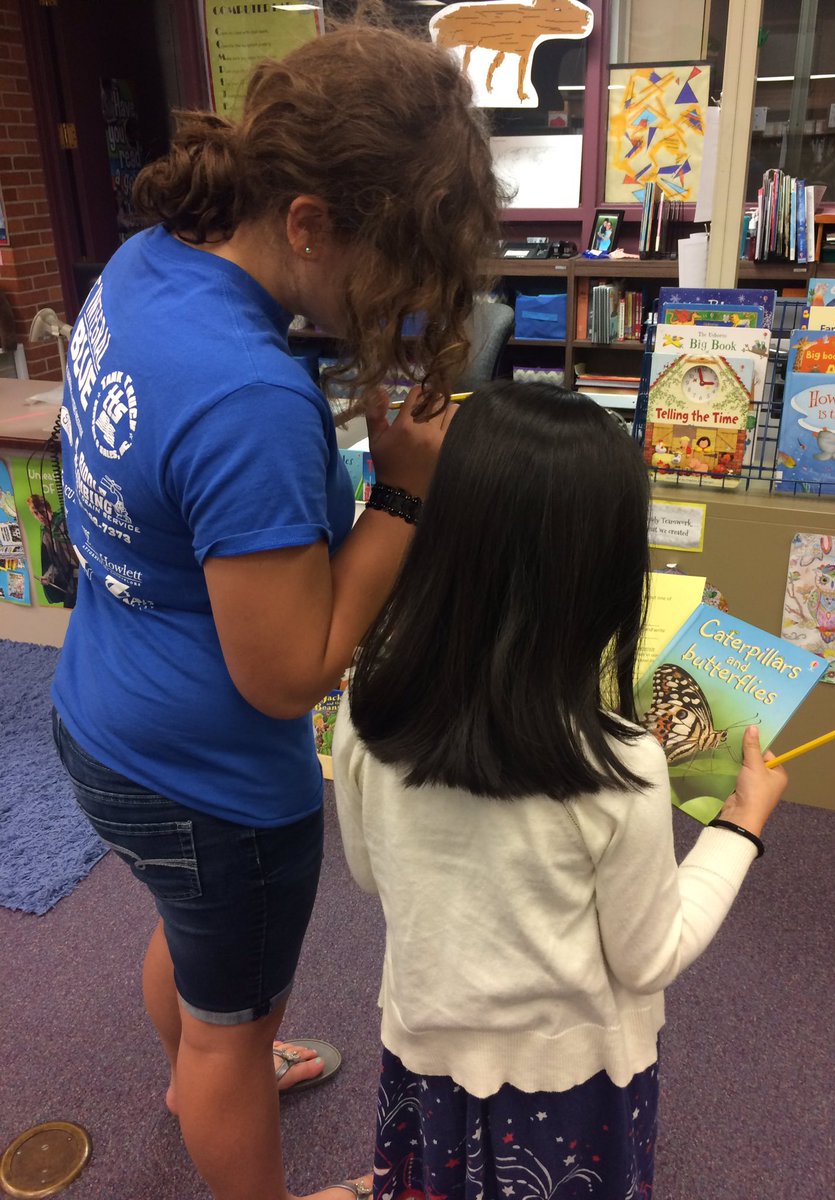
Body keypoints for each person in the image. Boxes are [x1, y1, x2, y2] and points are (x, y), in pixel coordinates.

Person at [51, 22, 501, 1200]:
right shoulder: (252, 398)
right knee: (230, 1024)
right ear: (306, 223)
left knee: (199, 962)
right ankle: (221, 1079)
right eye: (388, 269)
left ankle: (205, 1063)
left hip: (105, 714)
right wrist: (401, 488)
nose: (399, 304)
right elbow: (291, 673)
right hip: (209, 781)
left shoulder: (149, 258)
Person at [332, 380, 789, 1198]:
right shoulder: (618, 765)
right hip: (571, 1092)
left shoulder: (368, 708)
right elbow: (650, 956)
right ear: (609, 574)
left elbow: (371, 874)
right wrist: (739, 828)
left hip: (425, 1054)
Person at [25, 493, 78, 607]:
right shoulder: (46, 533)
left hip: (84, 575)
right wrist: (48, 576)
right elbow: (55, 560)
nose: (40, 516)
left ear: (49, 509)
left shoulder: (64, 522)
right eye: (35, 513)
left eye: (42, 512)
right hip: (71, 579)